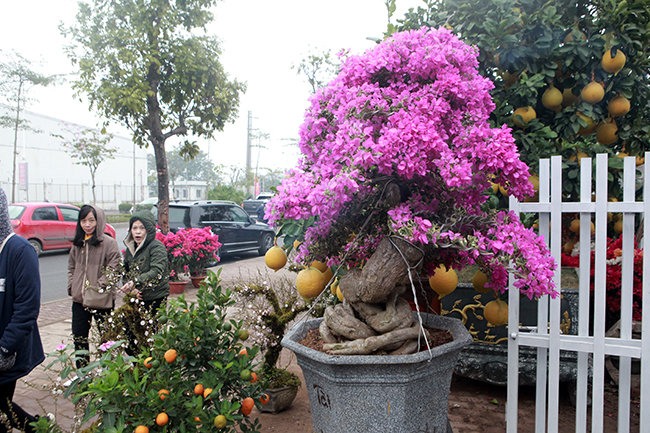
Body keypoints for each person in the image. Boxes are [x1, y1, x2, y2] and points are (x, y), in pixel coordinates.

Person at [0, 188, 43, 433]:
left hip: (9, 351)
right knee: (4, 407)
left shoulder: (20, 250)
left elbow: (27, 308)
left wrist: (5, 349)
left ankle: (38, 428)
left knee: (3, 408)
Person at [68, 205, 121, 368]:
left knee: (107, 339)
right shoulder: (78, 244)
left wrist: (96, 288)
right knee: (79, 338)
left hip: (101, 299)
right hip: (79, 300)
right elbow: (71, 267)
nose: (87, 224)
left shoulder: (109, 243)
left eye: (91, 220)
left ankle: (109, 372)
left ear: (99, 221)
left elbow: (115, 269)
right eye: (83, 220)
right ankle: (82, 373)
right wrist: (72, 286)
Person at [119, 210, 169, 355]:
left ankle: (151, 369)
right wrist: (131, 288)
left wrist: (135, 283)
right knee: (129, 335)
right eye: (134, 228)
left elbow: (157, 271)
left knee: (151, 338)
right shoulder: (130, 249)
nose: (138, 232)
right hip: (136, 298)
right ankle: (138, 367)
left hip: (154, 298)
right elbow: (126, 272)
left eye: (142, 228)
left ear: (149, 229)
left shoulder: (156, 247)